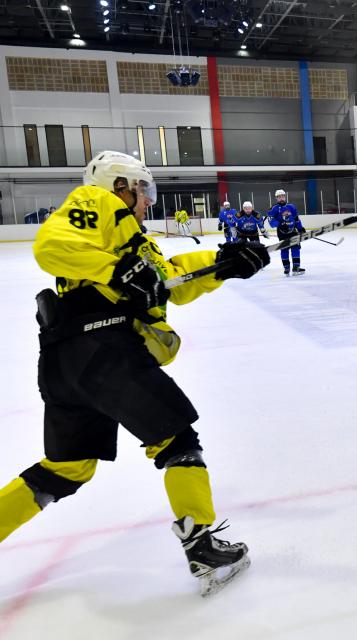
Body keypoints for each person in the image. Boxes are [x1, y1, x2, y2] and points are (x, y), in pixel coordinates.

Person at [0, 151, 269, 596]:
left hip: (67, 363)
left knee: (66, 468)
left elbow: (170, 281)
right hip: (104, 347)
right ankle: (200, 542)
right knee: (178, 440)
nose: (147, 200)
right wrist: (117, 271)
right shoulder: (98, 203)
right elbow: (51, 244)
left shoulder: (135, 243)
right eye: (142, 189)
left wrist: (225, 264)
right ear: (119, 184)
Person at [267, 189, 305, 276]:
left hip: (293, 231)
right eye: (279, 197)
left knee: (296, 247)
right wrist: (280, 224)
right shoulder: (273, 209)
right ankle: (286, 268)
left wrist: (300, 228)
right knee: (284, 249)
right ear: (276, 198)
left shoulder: (291, 206)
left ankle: (296, 267)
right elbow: (271, 221)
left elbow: (296, 218)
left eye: (283, 196)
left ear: (285, 197)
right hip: (282, 233)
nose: (281, 198)